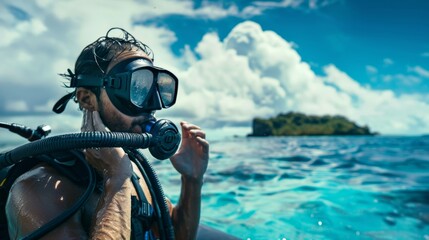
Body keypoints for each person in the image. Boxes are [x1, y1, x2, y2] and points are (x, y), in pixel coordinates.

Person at [4, 28, 209, 239]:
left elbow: (176, 236)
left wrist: (192, 179)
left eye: (155, 88)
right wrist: (116, 178)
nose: (152, 105)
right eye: (136, 88)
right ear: (86, 99)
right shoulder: (39, 190)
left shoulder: (137, 174)